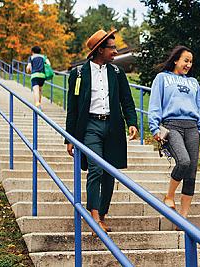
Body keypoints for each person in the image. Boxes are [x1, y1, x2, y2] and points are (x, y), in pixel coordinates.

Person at [65, 29, 138, 233]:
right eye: (111, 48)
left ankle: (103, 214)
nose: (115, 51)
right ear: (99, 50)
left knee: (110, 172)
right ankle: (94, 215)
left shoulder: (117, 73)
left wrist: (132, 122)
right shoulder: (78, 73)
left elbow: (127, 100)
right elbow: (73, 107)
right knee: (95, 168)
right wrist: (69, 138)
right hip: (90, 127)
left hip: (113, 127)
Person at [148, 45, 200, 224]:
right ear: (176, 60)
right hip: (172, 125)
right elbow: (154, 104)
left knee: (191, 172)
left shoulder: (194, 83)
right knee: (183, 161)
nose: (188, 64)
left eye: (191, 62)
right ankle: (169, 196)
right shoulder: (162, 78)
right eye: (185, 60)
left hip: (192, 127)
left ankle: (183, 218)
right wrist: (154, 128)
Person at [26, 46, 50, 110]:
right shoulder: (43, 57)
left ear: (32, 51)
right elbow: (48, 64)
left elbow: (29, 67)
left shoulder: (31, 57)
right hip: (42, 76)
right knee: (40, 89)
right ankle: (39, 102)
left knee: (36, 90)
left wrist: (28, 71)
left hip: (35, 75)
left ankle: (37, 104)